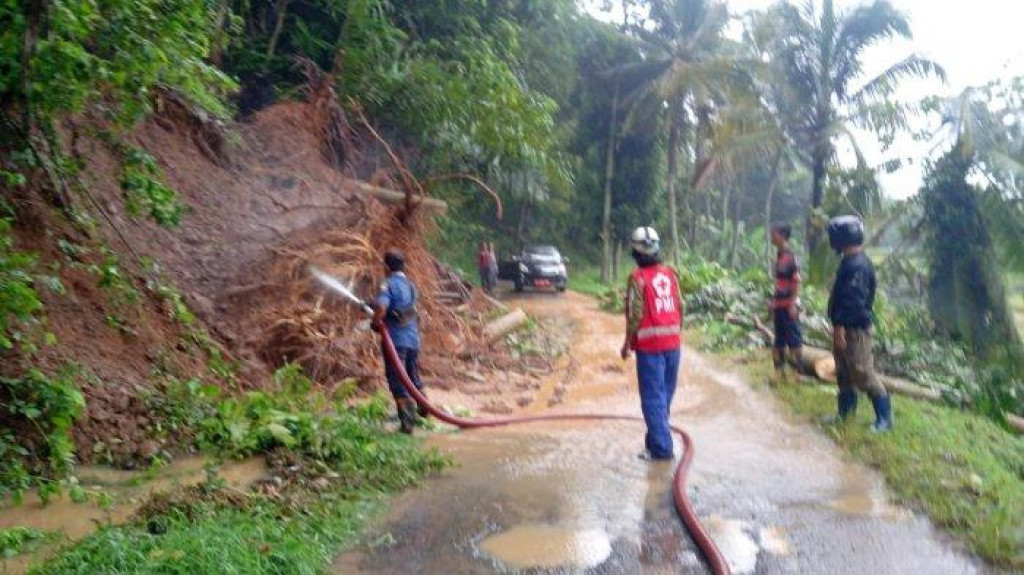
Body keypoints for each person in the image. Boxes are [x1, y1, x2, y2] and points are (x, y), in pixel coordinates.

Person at [620, 226, 683, 460]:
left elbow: (635, 314)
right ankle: (654, 441)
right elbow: (680, 306)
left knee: (652, 398)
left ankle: (662, 450)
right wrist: (678, 334)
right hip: (673, 344)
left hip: (650, 347)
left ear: (635, 253)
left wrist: (627, 343)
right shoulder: (670, 274)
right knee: (664, 395)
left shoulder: (637, 279)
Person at [825, 216, 892, 433]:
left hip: (853, 329)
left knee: (862, 372)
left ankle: (884, 419)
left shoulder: (858, 266)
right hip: (845, 327)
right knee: (843, 372)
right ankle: (845, 414)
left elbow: (852, 303)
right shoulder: (850, 261)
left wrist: (839, 329)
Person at [372, 249, 428, 434]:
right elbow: (404, 308)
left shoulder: (387, 285)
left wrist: (376, 321)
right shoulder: (410, 285)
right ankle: (424, 409)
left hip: (396, 341)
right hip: (413, 339)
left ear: (387, 267)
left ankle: (407, 424)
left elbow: (382, 307)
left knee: (398, 380)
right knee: (413, 377)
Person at [769, 223, 803, 379]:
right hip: (779, 305)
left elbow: (796, 281)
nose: (771, 236)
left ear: (782, 235)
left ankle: (796, 373)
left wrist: (792, 303)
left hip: (788, 306)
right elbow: (780, 282)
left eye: (774, 233)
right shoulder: (780, 254)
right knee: (779, 340)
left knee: (794, 340)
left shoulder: (790, 256)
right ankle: (779, 372)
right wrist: (773, 301)